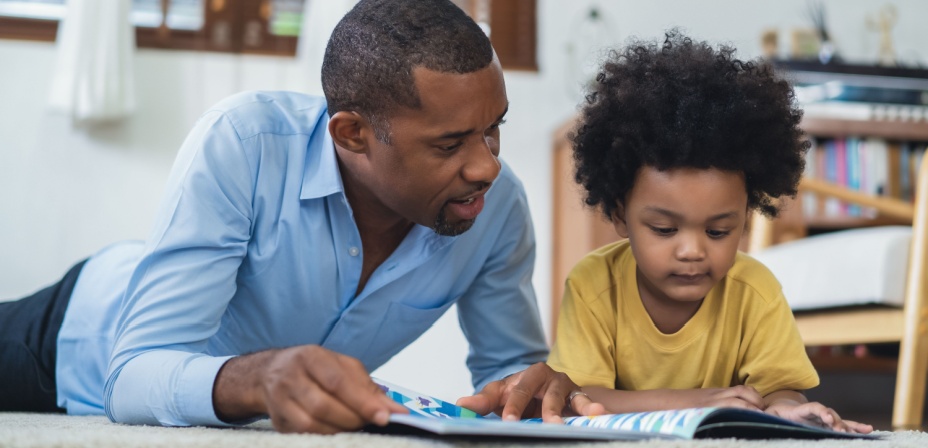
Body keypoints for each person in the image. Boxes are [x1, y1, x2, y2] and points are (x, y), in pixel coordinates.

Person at [0, 0, 603, 433]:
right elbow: (132, 376)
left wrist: (532, 389)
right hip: (67, 338)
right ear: (353, 134)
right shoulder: (244, 143)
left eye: (494, 130)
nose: (486, 168)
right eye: (450, 145)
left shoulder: (497, 209)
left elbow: (507, 374)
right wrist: (261, 378)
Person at [547, 31, 873, 434]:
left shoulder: (754, 290)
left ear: (746, 219)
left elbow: (779, 390)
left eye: (719, 231)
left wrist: (786, 409)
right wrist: (696, 402)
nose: (692, 250)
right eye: (665, 229)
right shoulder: (592, 284)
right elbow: (584, 397)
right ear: (619, 215)